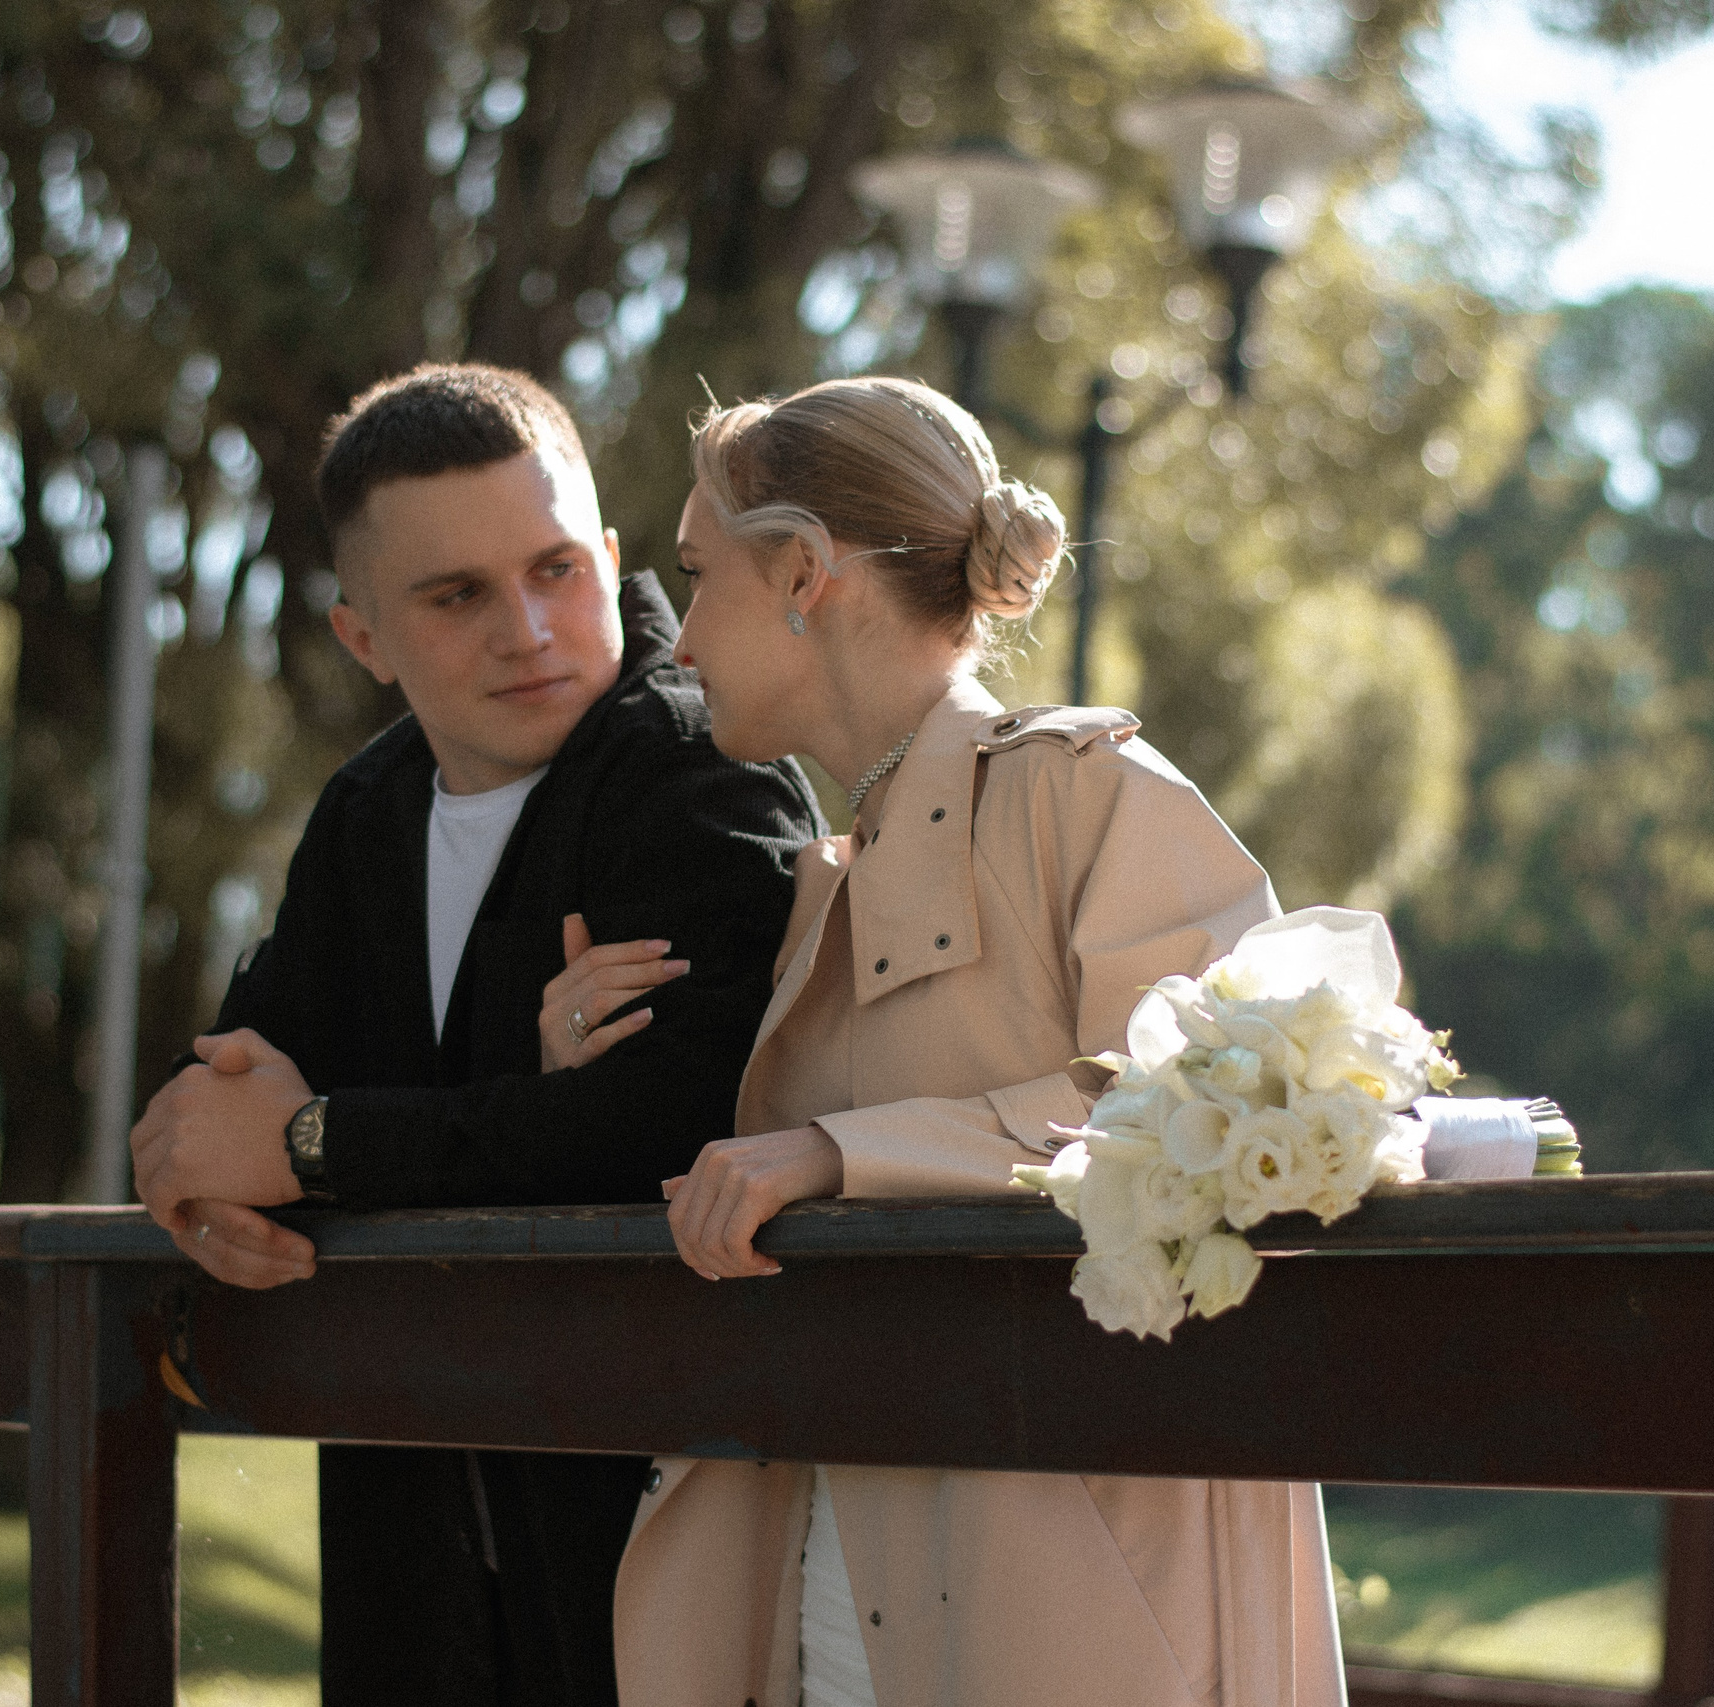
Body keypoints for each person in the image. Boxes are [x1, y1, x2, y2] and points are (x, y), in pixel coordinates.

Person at [560, 375, 1348, 1706]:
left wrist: (837, 1155)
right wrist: (587, 1058)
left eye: (698, 578)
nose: (678, 642)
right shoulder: (825, 874)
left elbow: (1230, 1097)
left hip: (1081, 1601)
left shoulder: (1088, 791)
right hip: (831, 1573)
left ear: (805, 571)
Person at [125, 362, 825, 1706]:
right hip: (411, 1534)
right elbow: (238, 1063)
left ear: (611, 554)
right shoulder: (368, 812)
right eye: (457, 597)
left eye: (558, 570)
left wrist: (317, 1144)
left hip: (654, 1525)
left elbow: (663, 1125)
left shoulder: (698, 770)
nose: (529, 629)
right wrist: (195, 1172)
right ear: (363, 640)